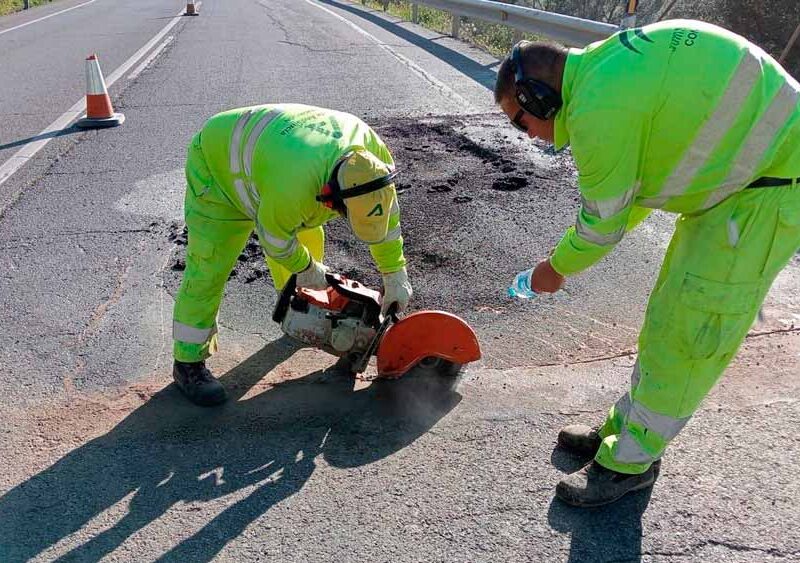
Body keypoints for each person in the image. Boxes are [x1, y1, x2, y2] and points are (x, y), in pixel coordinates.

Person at [495, 20, 800, 507]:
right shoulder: (602, 72)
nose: (528, 136)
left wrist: (553, 269)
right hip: (735, 187)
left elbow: (602, 225)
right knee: (666, 319)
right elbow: (635, 193)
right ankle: (625, 429)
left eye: (521, 121)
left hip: (765, 191)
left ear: (538, 99)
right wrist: (564, 258)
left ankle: (630, 463)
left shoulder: (598, 108)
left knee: (691, 329)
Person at [172, 104, 413, 406]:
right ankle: (188, 363)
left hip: (279, 165)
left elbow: (387, 223)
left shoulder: (376, 162)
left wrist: (395, 274)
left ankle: (297, 313)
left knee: (308, 245)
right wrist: (308, 269)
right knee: (210, 264)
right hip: (219, 167)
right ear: (329, 197)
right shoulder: (293, 187)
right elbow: (275, 239)